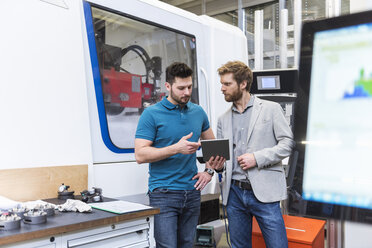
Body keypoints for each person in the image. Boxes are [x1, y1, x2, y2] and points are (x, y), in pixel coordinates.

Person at [135, 62, 224, 248]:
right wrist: (176, 148)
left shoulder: (198, 112)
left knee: (187, 244)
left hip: (192, 192)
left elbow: (214, 148)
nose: (186, 92)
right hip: (163, 193)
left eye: (189, 87)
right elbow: (140, 155)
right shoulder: (151, 114)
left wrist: (208, 171)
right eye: (181, 88)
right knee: (167, 246)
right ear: (168, 86)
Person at [211, 61, 295, 248]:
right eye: (222, 84)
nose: (222, 89)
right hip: (234, 193)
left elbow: (288, 144)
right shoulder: (222, 119)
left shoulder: (270, 109)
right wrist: (218, 165)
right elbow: (224, 157)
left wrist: (257, 158)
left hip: (264, 193)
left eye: (227, 84)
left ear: (242, 84)